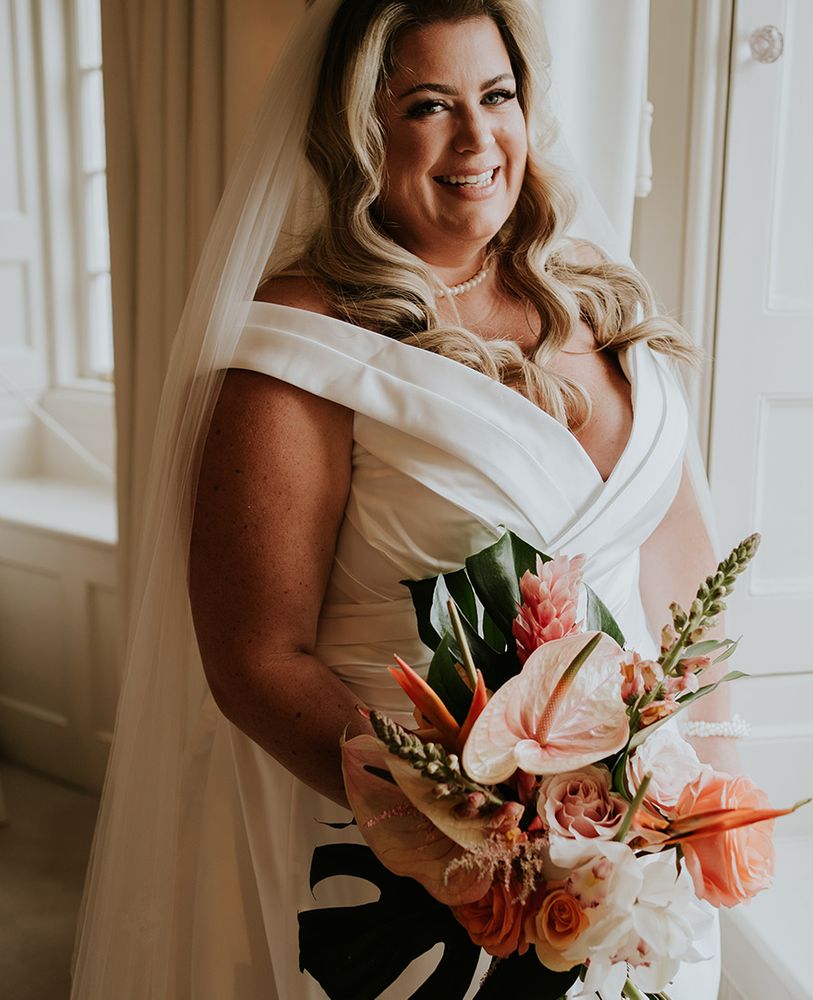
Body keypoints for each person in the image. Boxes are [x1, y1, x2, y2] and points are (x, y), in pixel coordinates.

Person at [72, 1, 738, 997]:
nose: (476, 139)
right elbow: (256, 657)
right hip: (417, 872)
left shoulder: (595, 294)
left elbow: (686, 583)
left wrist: (707, 797)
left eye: (496, 95)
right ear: (360, 132)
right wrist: (466, 819)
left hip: (640, 854)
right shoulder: (302, 345)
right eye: (429, 105)